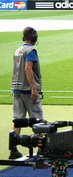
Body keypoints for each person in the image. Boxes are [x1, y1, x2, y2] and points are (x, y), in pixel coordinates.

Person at [10, 27, 43, 159]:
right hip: (27, 89)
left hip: (16, 88)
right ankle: (41, 148)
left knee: (18, 119)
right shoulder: (31, 51)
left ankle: (13, 149)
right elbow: (28, 69)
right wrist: (34, 88)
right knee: (38, 118)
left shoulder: (18, 50)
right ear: (34, 38)